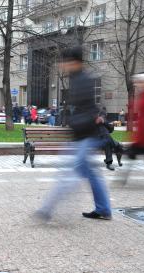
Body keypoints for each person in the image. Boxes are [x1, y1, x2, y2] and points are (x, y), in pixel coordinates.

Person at [34, 46, 112, 221]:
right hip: (82, 135)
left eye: (65, 62)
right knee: (90, 173)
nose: (62, 65)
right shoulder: (77, 78)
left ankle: (47, 209)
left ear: (74, 62)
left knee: (70, 172)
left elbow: (89, 110)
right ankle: (104, 209)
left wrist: (75, 122)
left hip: (86, 136)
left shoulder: (83, 80)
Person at [98, 106, 123, 171]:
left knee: (118, 145)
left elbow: (111, 129)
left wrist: (111, 124)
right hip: (100, 140)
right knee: (108, 141)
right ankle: (109, 163)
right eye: (104, 115)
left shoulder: (104, 121)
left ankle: (117, 161)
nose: (105, 116)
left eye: (105, 115)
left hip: (106, 138)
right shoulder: (98, 121)